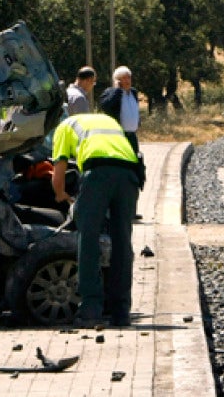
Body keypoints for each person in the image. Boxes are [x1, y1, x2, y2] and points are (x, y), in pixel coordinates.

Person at [51, 113, 141, 328]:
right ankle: (121, 312)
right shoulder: (108, 121)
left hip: (98, 174)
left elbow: (59, 170)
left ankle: (90, 311)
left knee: (88, 239)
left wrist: (60, 194)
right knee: (122, 241)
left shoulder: (64, 126)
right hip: (129, 175)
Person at [99, 66, 140, 153]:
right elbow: (105, 106)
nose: (127, 80)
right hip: (119, 136)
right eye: (124, 78)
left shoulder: (133, 92)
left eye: (129, 77)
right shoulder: (111, 92)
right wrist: (117, 89)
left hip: (132, 136)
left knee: (136, 162)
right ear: (117, 80)